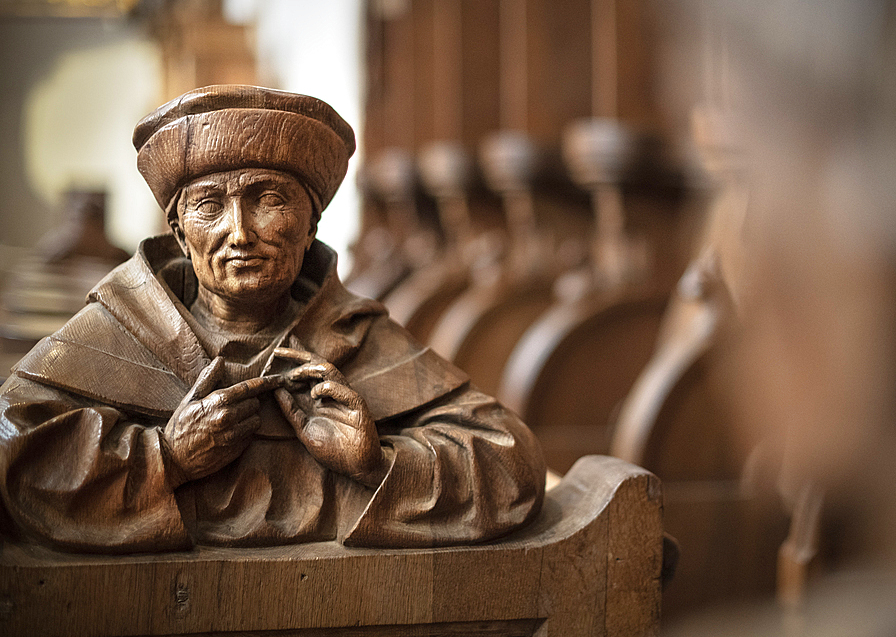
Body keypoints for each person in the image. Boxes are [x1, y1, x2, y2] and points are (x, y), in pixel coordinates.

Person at [0, 85, 546, 553]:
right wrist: (164, 458)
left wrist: (376, 463)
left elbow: (510, 464)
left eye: (269, 200)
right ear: (178, 231)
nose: (239, 232)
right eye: (210, 206)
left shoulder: (354, 332)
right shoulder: (122, 327)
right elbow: (14, 444)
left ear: (310, 226)